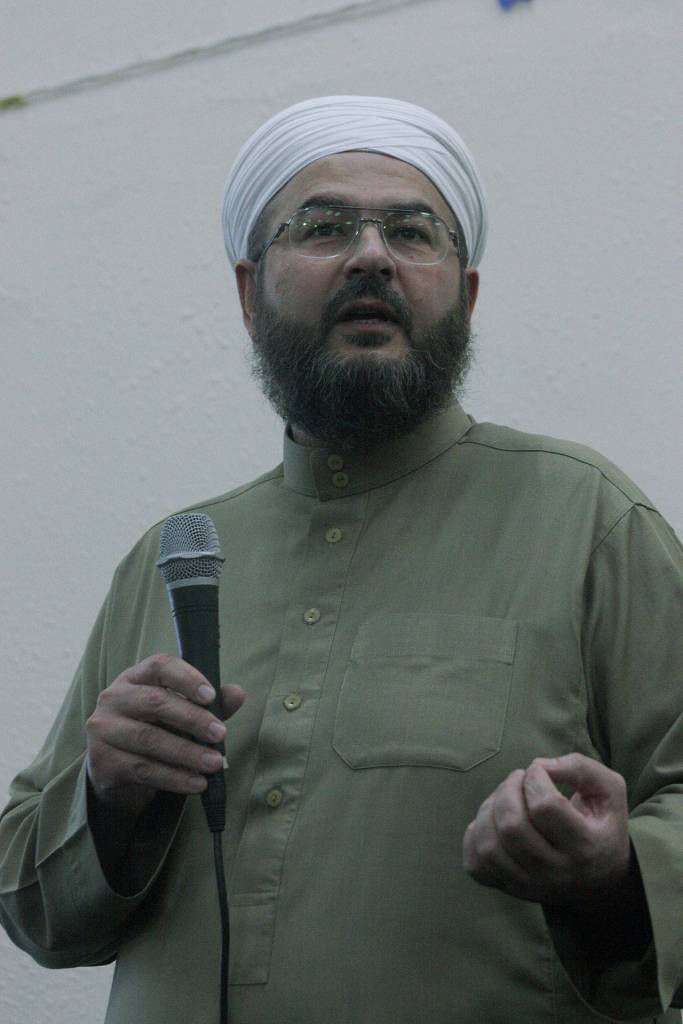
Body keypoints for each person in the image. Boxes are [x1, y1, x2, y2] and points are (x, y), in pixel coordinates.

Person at [0, 95, 681, 1024]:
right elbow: (33, 906)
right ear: (249, 293)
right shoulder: (171, 559)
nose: (370, 256)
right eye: (323, 228)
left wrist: (617, 872)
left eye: (411, 231)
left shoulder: (586, 517)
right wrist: (108, 797)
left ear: (466, 294)